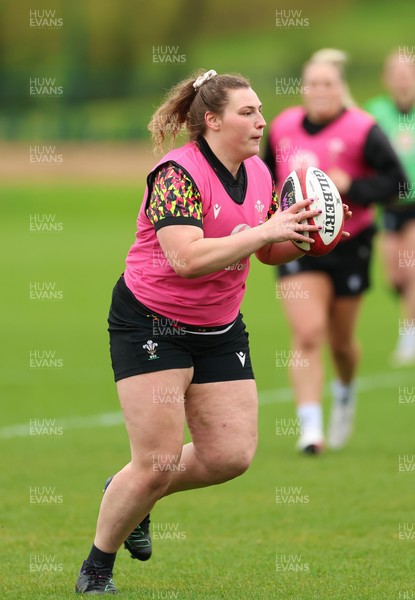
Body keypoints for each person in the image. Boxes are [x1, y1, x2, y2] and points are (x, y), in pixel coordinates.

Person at [74, 69, 337, 594]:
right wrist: (269, 228)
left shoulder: (260, 173)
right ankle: (97, 568)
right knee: (158, 462)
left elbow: (263, 251)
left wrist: (305, 236)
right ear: (212, 121)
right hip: (151, 321)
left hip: (218, 325)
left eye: (261, 110)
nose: (262, 121)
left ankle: (129, 490)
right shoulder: (178, 173)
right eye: (248, 112)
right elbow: (186, 258)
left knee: (230, 455)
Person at [264, 49, 407, 454]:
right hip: (297, 243)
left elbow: (397, 183)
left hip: (351, 243)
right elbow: (261, 178)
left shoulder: (363, 129)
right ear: (303, 88)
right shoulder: (283, 127)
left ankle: (344, 392)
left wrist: (351, 188)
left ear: (339, 88)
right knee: (308, 332)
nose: (320, 90)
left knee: (341, 343)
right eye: (313, 83)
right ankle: (311, 431)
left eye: (328, 83)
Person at [365, 49, 415, 366]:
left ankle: (409, 336)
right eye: (395, 73)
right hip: (389, 207)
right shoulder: (375, 112)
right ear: (386, 78)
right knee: (394, 277)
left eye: (406, 72)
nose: (401, 79)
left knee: (412, 272)